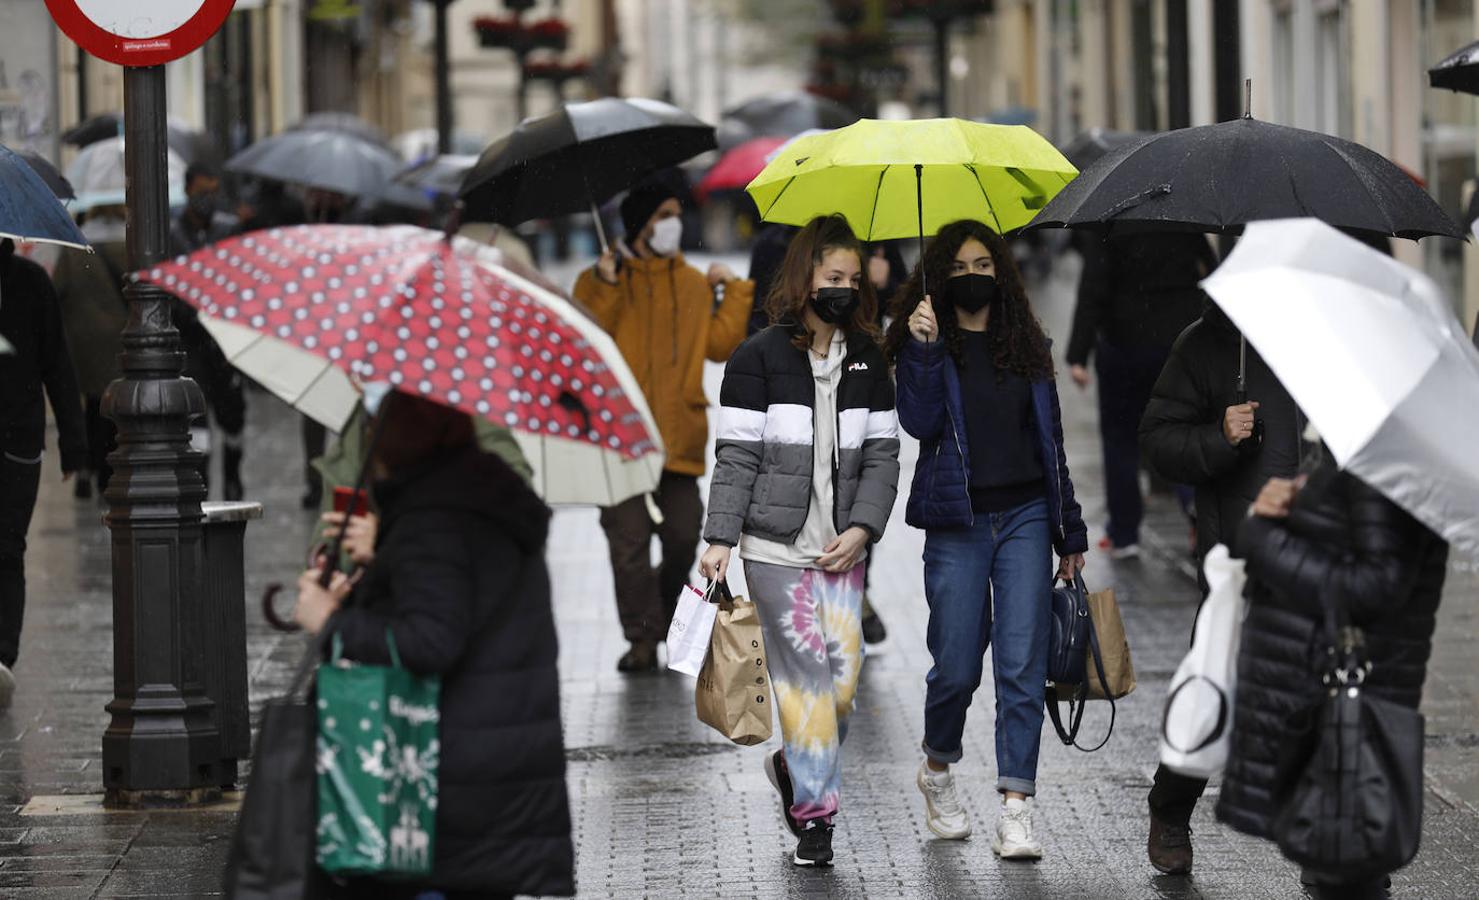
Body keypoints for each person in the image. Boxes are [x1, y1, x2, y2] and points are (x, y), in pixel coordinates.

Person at [291, 391, 574, 899]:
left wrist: (331, 621)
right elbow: (463, 599)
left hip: (448, 773)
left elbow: (431, 641)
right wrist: (383, 563)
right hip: (500, 764)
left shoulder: (433, 516)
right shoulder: (482, 495)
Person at [699, 214, 900, 868]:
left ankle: (795, 764)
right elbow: (734, 457)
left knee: (840, 687)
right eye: (830, 277)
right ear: (803, 278)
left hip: (843, 550)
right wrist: (720, 537)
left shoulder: (869, 357)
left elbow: (882, 457)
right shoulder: (755, 359)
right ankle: (816, 820)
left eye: (850, 277)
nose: (841, 288)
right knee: (807, 683)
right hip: (773, 549)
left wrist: (862, 529)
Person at [884, 219, 1087, 860]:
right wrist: (919, 351)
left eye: (984, 264)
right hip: (958, 522)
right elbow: (918, 425)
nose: (973, 276)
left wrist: (1070, 531)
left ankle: (1016, 808)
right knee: (955, 668)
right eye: (960, 266)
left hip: (1025, 516)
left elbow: (1052, 445)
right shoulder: (929, 344)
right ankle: (938, 768)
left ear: (1000, 272)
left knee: (1022, 669)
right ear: (940, 277)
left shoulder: (1027, 346)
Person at [1220, 457, 1446, 900]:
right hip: (1346, 694)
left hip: (1351, 698)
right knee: (1343, 866)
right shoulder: (1375, 461)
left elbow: (1377, 582)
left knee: (1347, 865)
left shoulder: (1382, 467)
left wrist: (1263, 539)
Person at [1136, 298, 1304, 875]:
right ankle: (1172, 807)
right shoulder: (1210, 342)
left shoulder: (1331, 332)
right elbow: (1158, 439)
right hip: (1240, 550)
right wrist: (1220, 435)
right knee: (1215, 688)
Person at [573, 180, 753, 672]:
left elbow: (720, 344)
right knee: (628, 542)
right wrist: (607, 285)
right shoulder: (600, 280)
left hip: (679, 438)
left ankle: (655, 615)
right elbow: (586, 340)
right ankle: (641, 640)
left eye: (676, 213)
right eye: (662, 214)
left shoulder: (692, 282)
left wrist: (733, 292)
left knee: (680, 536)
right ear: (640, 223)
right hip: (620, 443)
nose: (672, 223)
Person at [1066, 233, 1215, 557]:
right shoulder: (1181, 212)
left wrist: (1078, 353)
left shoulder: (1110, 215)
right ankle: (1194, 506)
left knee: (1120, 440)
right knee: (1182, 429)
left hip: (1125, 342)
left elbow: (1094, 286)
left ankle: (1124, 532)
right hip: (1180, 338)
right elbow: (1208, 267)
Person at [0, 238, 87, 706]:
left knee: (9, 547)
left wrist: (73, 444)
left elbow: (57, 361)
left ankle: (2, 658)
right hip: (21, 436)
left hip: (17, 441)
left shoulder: (29, 282)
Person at [171, 162, 247, 500]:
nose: (208, 200)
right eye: (203, 192)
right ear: (187, 191)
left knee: (232, 418)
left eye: (214, 193)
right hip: (191, 343)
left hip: (226, 343)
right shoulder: (172, 235)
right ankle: (201, 485)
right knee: (197, 421)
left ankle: (232, 476)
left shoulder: (227, 231)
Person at [51, 207, 130, 498]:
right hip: (121, 339)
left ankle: (85, 467)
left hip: (84, 341)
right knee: (113, 409)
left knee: (91, 406)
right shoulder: (130, 245)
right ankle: (107, 471)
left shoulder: (75, 246)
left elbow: (56, 288)